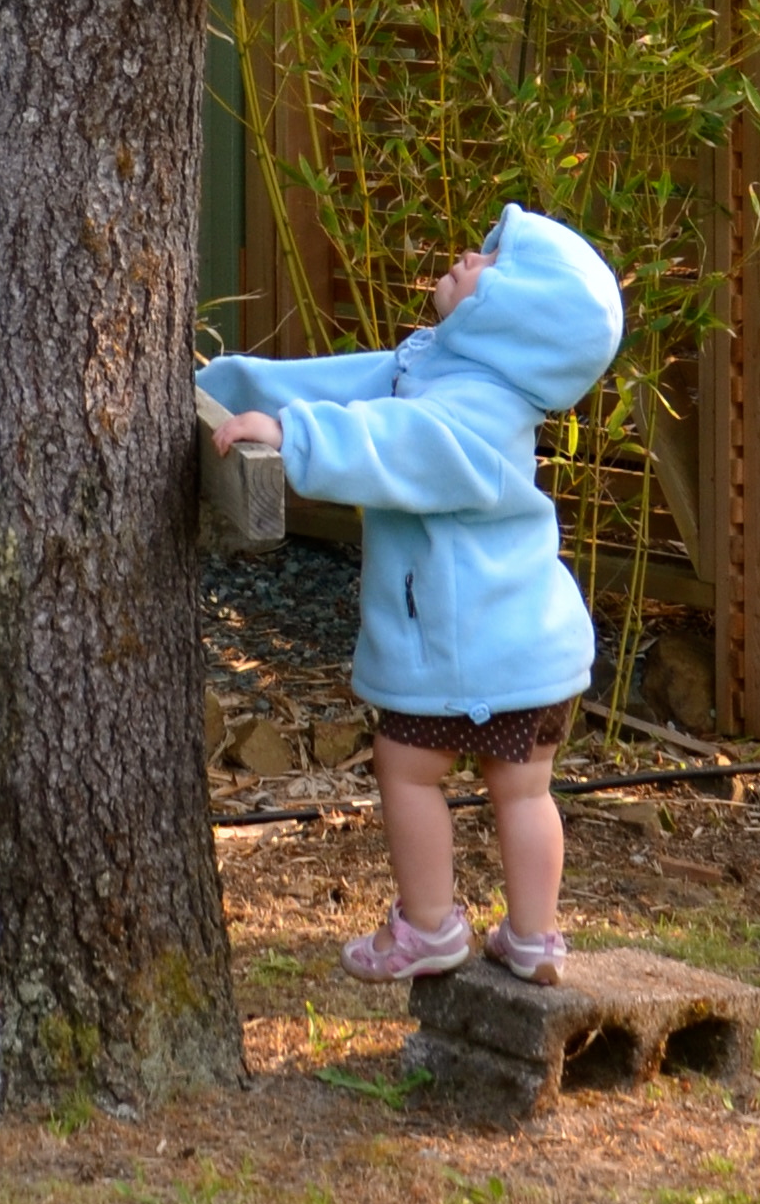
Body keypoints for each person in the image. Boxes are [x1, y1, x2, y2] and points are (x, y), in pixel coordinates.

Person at [198, 205, 622, 984]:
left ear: (513, 320)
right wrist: (229, 389)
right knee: (524, 790)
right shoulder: (440, 366)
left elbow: (389, 440)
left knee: (408, 767)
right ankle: (533, 938)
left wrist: (297, 437)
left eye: (493, 266)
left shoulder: (474, 416)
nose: (469, 256)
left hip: (467, 647)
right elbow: (350, 383)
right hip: (531, 642)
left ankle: (429, 927)